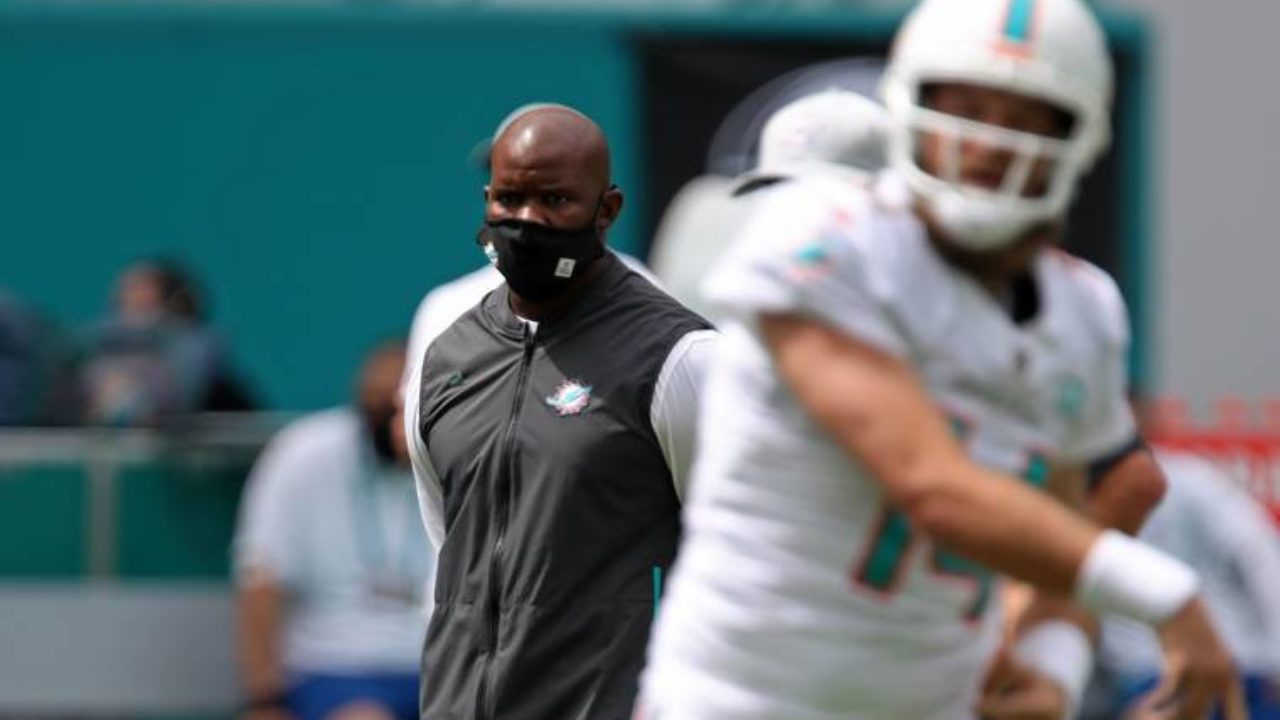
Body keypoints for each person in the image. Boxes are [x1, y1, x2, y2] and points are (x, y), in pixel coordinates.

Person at [637, 1, 1243, 719]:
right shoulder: (822, 239)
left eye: (1023, 117)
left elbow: (1112, 492)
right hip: (740, 701)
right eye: (967, 107)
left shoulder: (1083, 309)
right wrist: (1167, 595)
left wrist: (1054, 667)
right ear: (911, 107)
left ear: (1077, 134)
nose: (988, 142)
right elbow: (931, 485)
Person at [402, 105, 716, 720]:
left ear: (608, 210)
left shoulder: (679, 356)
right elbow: (454, 547)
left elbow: (734, 548)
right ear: (487, 198)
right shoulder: (445, 359)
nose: (529, 221)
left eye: (556, 199)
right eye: (511, 199)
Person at [234, 341, 433, 720]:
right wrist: (264, 699)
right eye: (375, 403)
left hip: (441, 666)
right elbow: (260, 579)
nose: (387, 419)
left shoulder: (463, 457)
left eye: (399, 407)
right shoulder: (302, 452)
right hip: (336, 668)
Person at [648, 88, 888, 316]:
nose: (795, 208)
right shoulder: (734, 285)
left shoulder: (909, 286)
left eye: (822, 193)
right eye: (777, 188)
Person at [1099, 448, 1280, 719]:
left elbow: (1259, 556)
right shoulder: (1071, 490)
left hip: (1239, 667)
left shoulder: (1188, 477)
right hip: (1149, 678)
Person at [79, 258, 255, 425]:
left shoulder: (194, 346)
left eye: (143, 288)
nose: (132, 295)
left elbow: (182, 385)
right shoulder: (93, 346)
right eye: (128, 289)